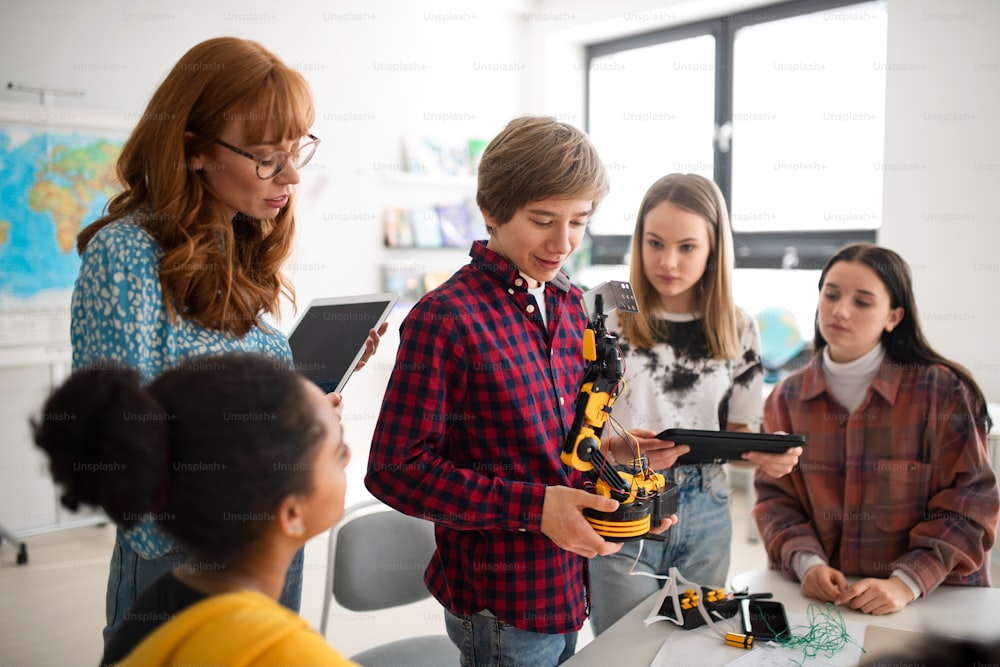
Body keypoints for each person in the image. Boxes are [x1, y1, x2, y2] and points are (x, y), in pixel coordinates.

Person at [71, 36, 383, 644]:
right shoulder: (127, 255)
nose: (290, 175)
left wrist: (297, 413)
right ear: (192, 149)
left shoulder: (235, 247)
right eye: (267, 157)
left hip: (268, 543)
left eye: (297, 152)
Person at [365, 115, 673, 666]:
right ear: (491, 210)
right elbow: (395, 470)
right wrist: (536, 509)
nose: (563, 242)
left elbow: (548, 444)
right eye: (542, 220)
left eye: (579, 221)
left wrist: (611, 458)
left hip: (565, 586)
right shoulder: (446, 319)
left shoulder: (569, 302)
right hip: (500, 605)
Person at [30, 354, 357, 666]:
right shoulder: (287, 654)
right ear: (290, 514)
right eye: (337, 451)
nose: (349, 456)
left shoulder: (155, 610)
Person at [587, 173, 802, 634]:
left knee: (698, 645)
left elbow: (738, 440)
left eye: (687, 247)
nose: (668, 261)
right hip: (623, 500)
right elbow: (576, 429)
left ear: (713, 249)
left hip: (707, 505)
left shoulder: (739, 327)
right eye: (655, 243)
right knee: (625, 651)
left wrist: (764, 454)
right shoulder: (605, 316)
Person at [753, 242, 999, 615]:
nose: (840, 310)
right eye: (830, 294)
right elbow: (775, 500)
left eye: (863, 302)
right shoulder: (784, 399)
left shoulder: (942, 391)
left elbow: (971, 504)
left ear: (893, 317)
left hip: (932, 603)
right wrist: (807, 564)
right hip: (828, 608)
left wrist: (905, 584)